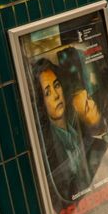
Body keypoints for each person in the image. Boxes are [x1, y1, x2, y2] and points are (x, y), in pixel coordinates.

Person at [33, 56, 92, 205]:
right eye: (47, 93)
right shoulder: (46, 146)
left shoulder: (79, 127)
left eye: (57, 85)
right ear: (41, 101)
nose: (56, 95)